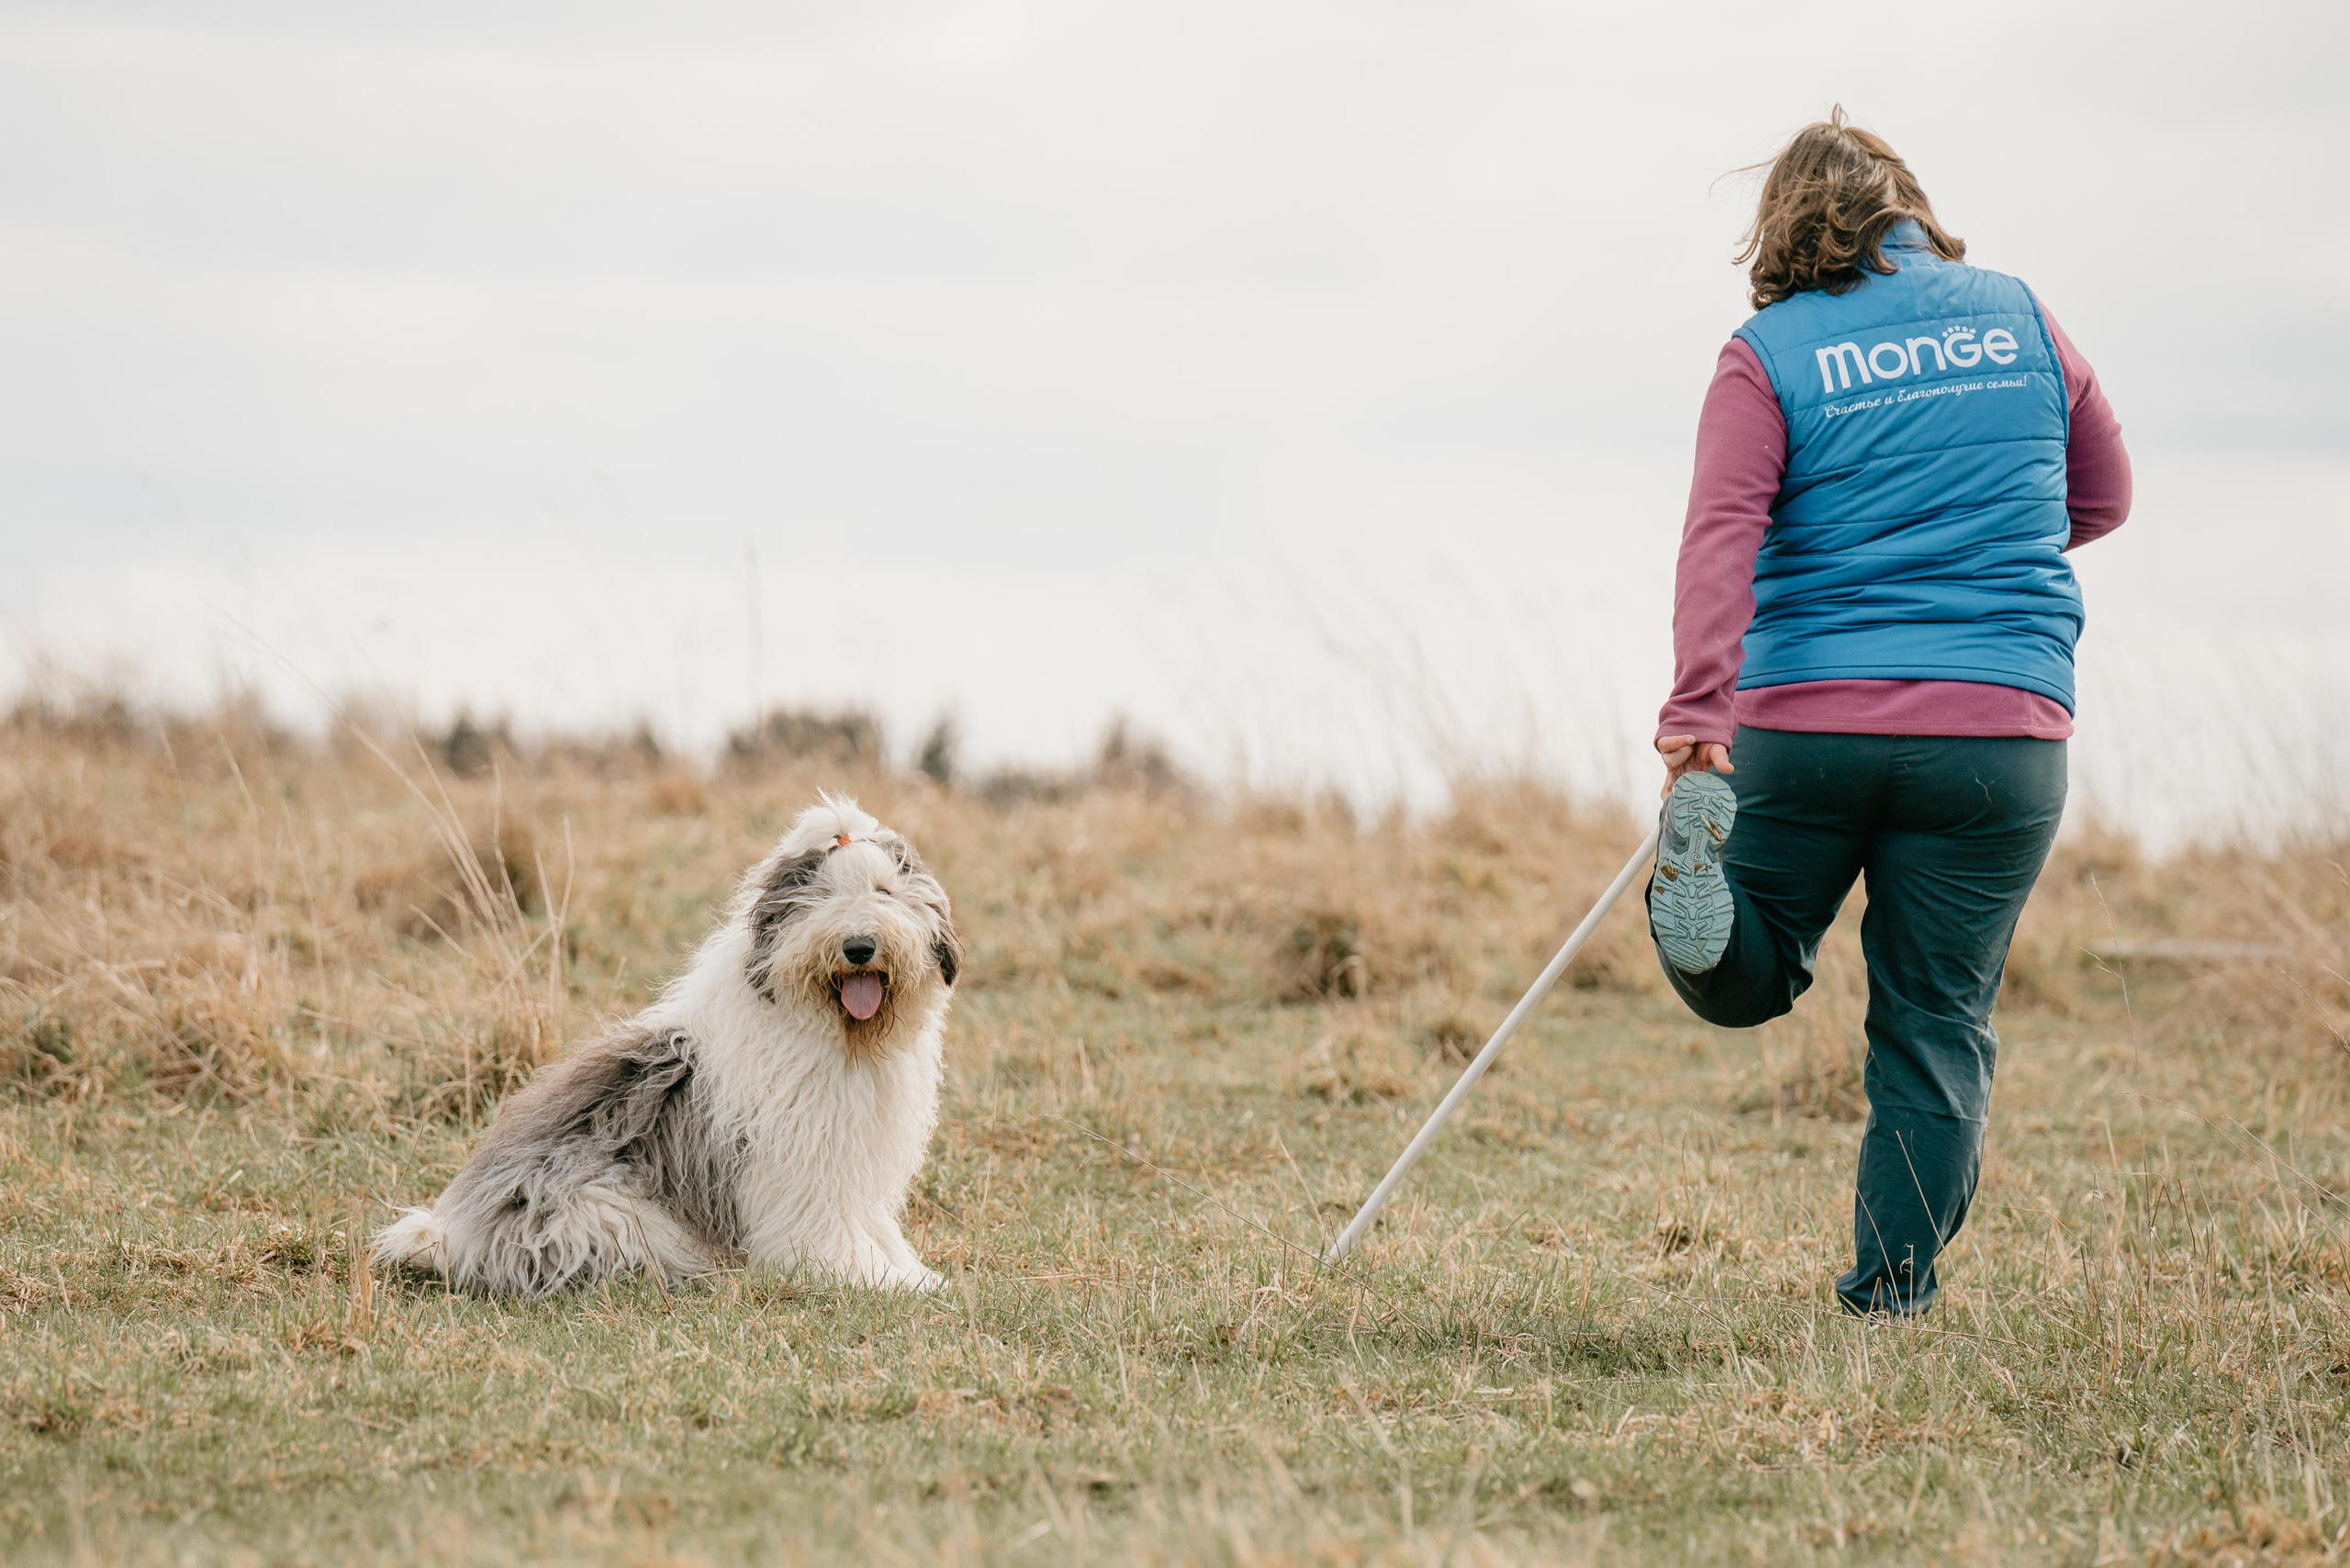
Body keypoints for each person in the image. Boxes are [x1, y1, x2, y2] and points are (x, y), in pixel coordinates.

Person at [1647, 109, 2131, 1316]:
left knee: (1751, 963)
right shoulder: (2022, 315)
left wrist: (1698, 718)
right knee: (1934, 1024)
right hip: (1997, 731)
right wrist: (1980, 546)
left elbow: (1721, 537)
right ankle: (1889, 1293)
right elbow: (2105, 495)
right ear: (1910, 212)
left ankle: (1705, 915)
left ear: (1782, 231)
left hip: (1808, 724)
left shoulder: (1769, 353)